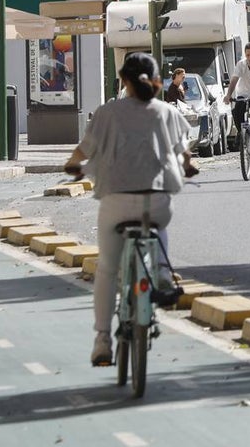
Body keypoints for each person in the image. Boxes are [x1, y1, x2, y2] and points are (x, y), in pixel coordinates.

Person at [63, 52, 197, 367]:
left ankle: (102, 340)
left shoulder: (107, 112)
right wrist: (189, 166)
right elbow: (184, 152)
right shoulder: (166, 111)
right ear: (156, 82)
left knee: (108, 269)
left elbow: (84, 149)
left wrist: (73, 164)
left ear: (123, 80)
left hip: (116, 201)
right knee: (158, 225)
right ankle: (161, 271)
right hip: (157, 202)